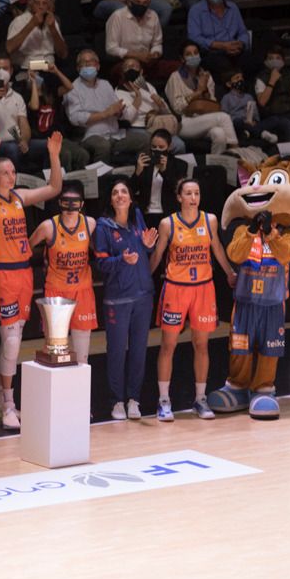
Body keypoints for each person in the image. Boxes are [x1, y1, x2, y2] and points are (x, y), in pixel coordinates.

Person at [0, 129, 64, 430]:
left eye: (13, 171)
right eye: (5, 172)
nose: (11, 175)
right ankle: (8, 403)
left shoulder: (19, 197)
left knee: (14, 341)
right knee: (10, 342)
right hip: (1, 275)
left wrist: (54, 156)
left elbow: (55, 187)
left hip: (23, 273)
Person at [148, 178, 236, 421]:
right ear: (179, 197)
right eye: (188, 193)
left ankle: (200, 398)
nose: (193, 197)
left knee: (202, 345)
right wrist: (143, 278)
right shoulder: (168, 224)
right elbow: (157, 255)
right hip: (175, 289)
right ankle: (164, 400)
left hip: (203, 289)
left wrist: (229, 273)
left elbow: (216, 247)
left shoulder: (210, 220)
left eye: (196, 193)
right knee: (168, 346)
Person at [93, 177, 157, 420]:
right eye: (115, 192)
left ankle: (134, 400)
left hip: (143, 296)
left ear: (130, 198)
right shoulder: (103, 227)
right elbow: (100, 262)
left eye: (124, 191)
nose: (120, 195)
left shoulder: (137, 217)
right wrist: (121, 260)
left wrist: (148, 246)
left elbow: (143, 249)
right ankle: (116, 401)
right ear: (111, 199)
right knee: (117, 351)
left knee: (139, 351)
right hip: (117, 299)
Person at [28, 181, 98, 364]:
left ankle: (79, 392)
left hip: (82, 291)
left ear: (82, 204)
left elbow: (99, 250)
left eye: (74, 203)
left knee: (82, 354)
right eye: (66, 202)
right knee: (56, 351)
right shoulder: (48, 227)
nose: (70, 208)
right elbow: (26, 248)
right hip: (56, 293)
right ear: (59, 203)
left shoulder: (90, 224)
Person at [65, 49, 150, 164]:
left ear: (98, 66)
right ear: (78, 68)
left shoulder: (105, 84)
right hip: (90, 136)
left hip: (115, 134)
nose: (87, 65)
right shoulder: (72, 88)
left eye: (91, 62)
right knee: (103, 146)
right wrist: (105, 114)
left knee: (145, 139)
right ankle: (103, 180)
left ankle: (139, 174)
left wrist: (119, 112)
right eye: (83, 63)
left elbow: (118, 110)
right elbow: (74, 118)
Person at [0, 53, 46, 166]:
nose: (1, 72)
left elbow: (24, 125)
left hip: (17, 141)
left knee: (49, 145)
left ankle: (46, 180)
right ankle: (14, 182)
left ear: (11, 71)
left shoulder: (17, 97)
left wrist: (24, 141)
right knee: (12, 150)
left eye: (5, 69)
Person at [164, 42, 239, 154]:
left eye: (195, 53)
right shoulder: (175, 77)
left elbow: (213, 105)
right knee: (224, 117)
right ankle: (237, 151)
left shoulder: (206, 75)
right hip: (184, 123)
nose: (193, 56)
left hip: (205, 119)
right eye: (189, 54)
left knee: (220, 134)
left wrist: (205, 91)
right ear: (182, 59)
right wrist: (198, 92)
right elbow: (177, 108)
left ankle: (218, 167)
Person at [104, 0, 177, 81]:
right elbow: (111, 48)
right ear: (130, 2)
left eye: (145, 3)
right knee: (130, 73)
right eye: (138, 2)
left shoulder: (153, 15)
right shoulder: (117, 17)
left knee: (177, 68)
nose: (141, 6)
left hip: (148, 61)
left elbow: (157, 43)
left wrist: (155, 53)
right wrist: (136, 55)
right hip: (124, 62)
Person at [28, 61, 89, 171]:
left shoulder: (52, 94)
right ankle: (65, 184)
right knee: (65, 154)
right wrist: (33, 83)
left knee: (82, 154)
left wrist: (56, 71)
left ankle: (78, 182)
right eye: (34, 76)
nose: (36, 78)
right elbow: (35, 106)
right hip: (42, 140)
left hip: (59, 137)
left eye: (37, 76)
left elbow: (70, 87)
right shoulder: (28, 96)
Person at [116, 57, 184, 152]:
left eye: (135, 66)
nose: (131, 68)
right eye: (128, 67)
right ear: (122, 73)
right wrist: (137, 97)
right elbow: (126, 120)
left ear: (141, 72)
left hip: (156, 125)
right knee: (152, 144)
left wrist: (161, 104)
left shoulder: (148, 86)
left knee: (179, 145)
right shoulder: (118, 93)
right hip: (136, 128)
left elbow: (166, 113)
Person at [186, 0, 249, 75]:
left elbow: (243, 32)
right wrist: (221, 46)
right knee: (224, 66)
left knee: (253, 63)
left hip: (234, 49)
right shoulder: (196, 11)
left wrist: (240, 44)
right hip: (212, 52)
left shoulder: (233, 7)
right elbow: (194, 37)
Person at [5, 0, 68, 83]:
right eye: (37, 3)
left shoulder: (52, 21)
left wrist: (53, 29)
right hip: (27, 69)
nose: (41, 7)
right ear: (31, 4)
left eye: (44, 3)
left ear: (49, 6)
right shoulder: (19, 21)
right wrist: (32, 24)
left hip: (50, 69)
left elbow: (63, 54)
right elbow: (9, 48)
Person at [131, 129, 189, 229]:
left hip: (168, 214)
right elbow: (132, 190)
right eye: (154, 147)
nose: (157, 150)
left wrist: (164, 171)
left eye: (161, 147)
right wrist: (138, 172)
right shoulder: (144, 163)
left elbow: (178, 191)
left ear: (169, 147)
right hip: (145, 213)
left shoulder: (180, 165)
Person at [220, 70, 280, 144]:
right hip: (237, 124)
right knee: (237, 122)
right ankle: (262, 133)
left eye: (242, 77)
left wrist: (254, 121)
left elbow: (255, 113)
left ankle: (249, 132)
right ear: (229, 84)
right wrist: (244, 122)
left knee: (274, 119)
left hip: (251, 123)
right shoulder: (226, 98)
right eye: (237, 78)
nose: (240, 79)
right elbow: (224, 116)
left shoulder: (249, 96)